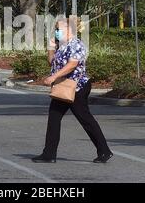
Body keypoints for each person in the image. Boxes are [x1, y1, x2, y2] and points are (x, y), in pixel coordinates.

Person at [32, 17, 113, 163]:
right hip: (64, 86)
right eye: (55, 29)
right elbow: (52, 62)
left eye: (58, 29)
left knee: (85, 119)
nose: (56, 32)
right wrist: (51, 48)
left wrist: (53, 77)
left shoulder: (76, 44)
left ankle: (104, 151)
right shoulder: (61, 45)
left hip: (77, 87)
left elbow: (72, 65)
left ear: (69, 30)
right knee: (54, 118)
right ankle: (49, 154)